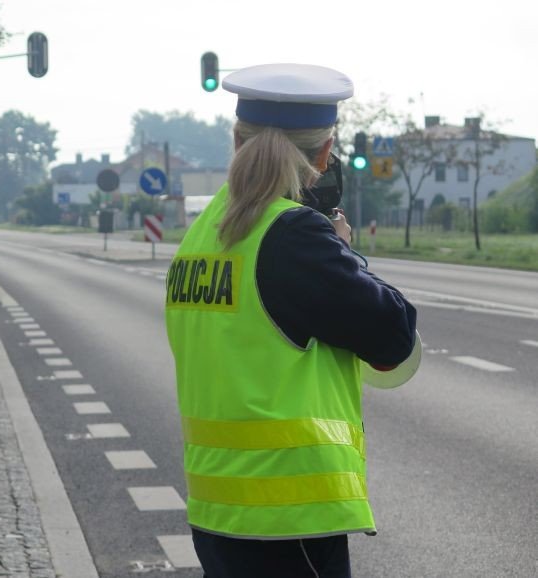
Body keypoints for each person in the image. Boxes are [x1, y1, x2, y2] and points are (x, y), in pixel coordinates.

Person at [164, 63, 418, 577]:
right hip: (287, 517)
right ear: (325, 154)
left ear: (237, 141)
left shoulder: (203, 232)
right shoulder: (292, 236)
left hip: (219, 511)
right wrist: (347, 254)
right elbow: (395, 338)